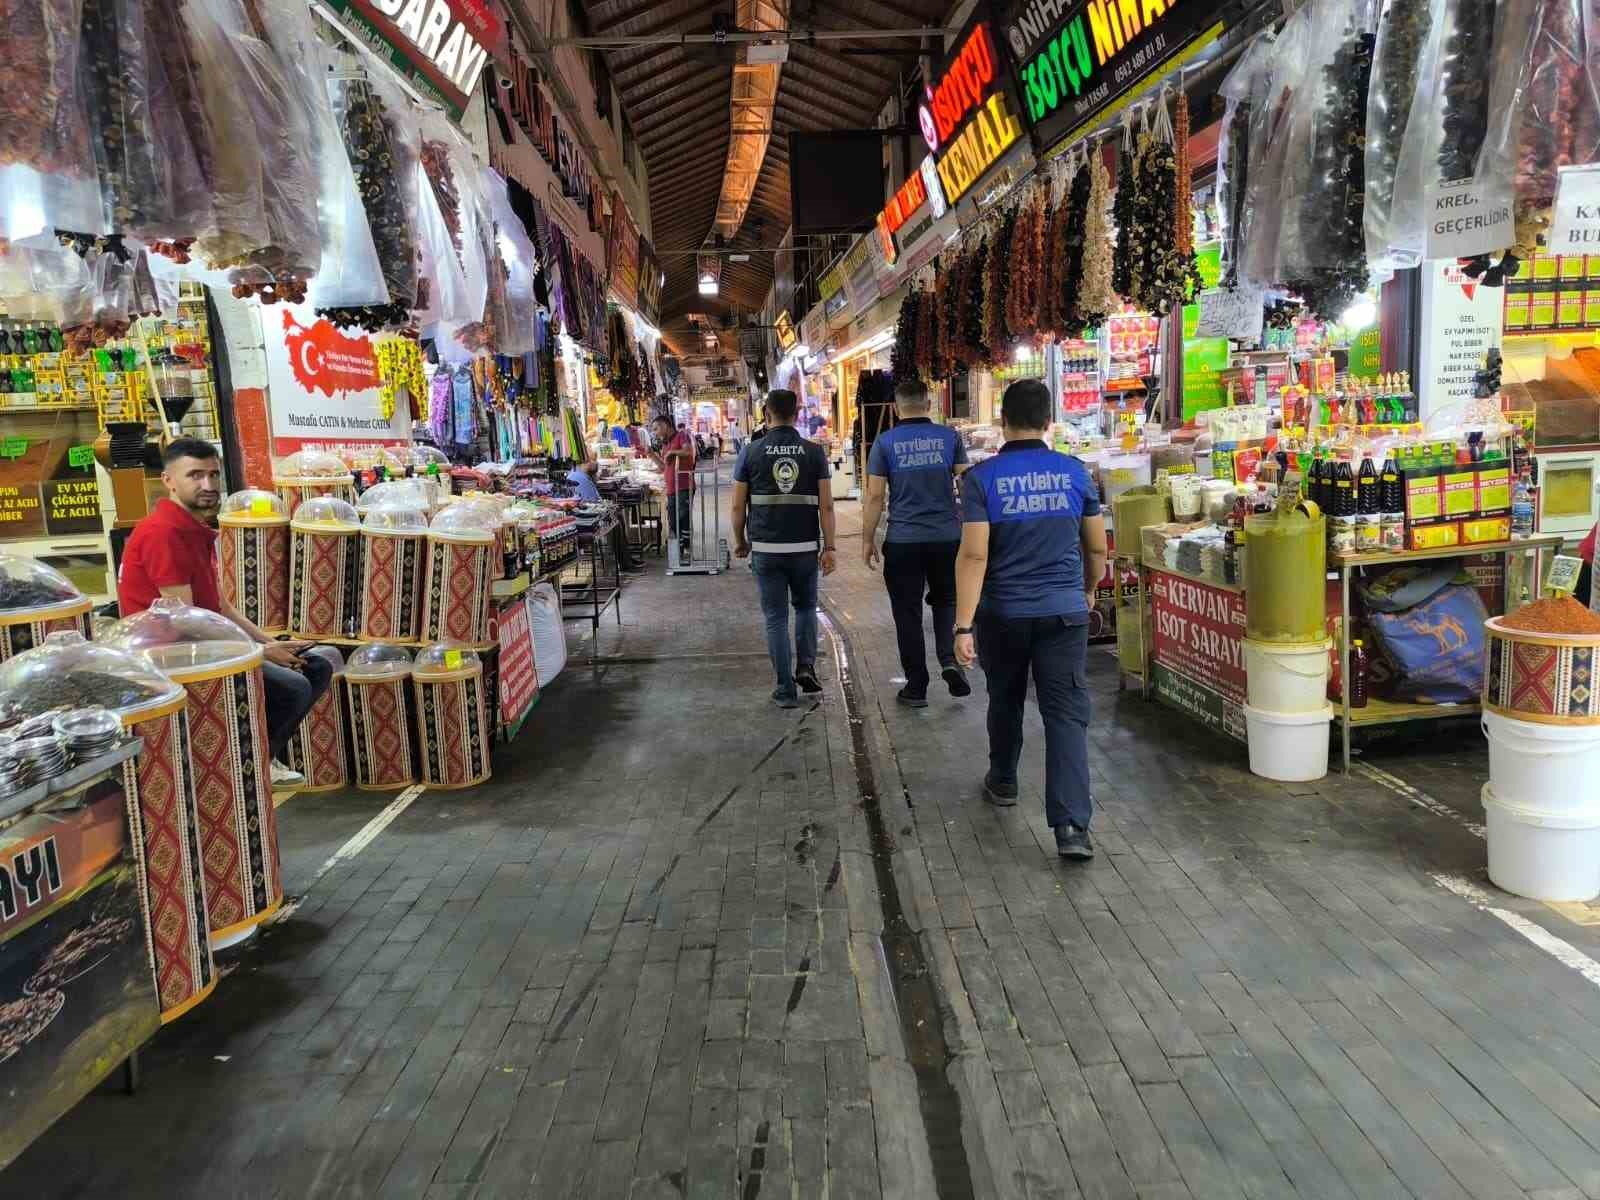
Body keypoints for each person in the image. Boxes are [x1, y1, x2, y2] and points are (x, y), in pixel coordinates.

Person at [118, 438, 333, 788]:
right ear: (168, 481)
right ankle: (246, 771)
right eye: (195, 475)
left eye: (213, 475)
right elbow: (183, 623)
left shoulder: (194, 531)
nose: (208, 485)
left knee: (318, 665)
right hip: (171, 653)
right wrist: (258, 653)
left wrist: (272, 641)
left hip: (207, 642)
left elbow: (222, 608)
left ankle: (259, 757)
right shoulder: (164, 533)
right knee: (292, 687)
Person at [953, 380, 1108, 861]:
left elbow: (975, 555)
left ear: (1003, 422)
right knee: (1066, 713)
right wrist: (1086, 588)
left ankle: (1003, 780)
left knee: (1006, 697)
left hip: (1004, 615)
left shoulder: (981, 480)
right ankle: (1071, 828)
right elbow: (1098, 547)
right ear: (1048, 422)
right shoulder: (1075, 473)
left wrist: (962, 626)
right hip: (1064, 614)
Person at [861, 378, 971, 707]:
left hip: (903, 541)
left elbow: (875, 496)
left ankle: (917, 686)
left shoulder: (884, 442)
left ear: (896, 408)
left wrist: (867, 540)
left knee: (906, 613)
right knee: (946, 601)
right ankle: (950, 662)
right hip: (947, 538)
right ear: (929, 404)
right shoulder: (950, 437)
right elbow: (967, 486)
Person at [732, 389, 837, 708]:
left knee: (776, 617)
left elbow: (737, 506)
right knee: (805, 608)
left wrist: (740, 541)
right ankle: (805, 666)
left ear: (766, 413)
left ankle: (785, 689)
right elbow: (827, 506)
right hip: (805, 548)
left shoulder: (750, 452)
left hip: (766, 548)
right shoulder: (814, 452)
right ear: (797, 412)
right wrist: (830, 547)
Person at [651, 415, 697, 558]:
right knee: (673, 519)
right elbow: (664, 466)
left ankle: (686, 548)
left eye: (656, 428)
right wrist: (650, 454)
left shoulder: (681, 436)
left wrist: (673, 452)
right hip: (671, 487)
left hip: (684, 485)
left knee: (683, 517)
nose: (655, 432)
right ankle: (679, 549)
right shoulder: (665, 443)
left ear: (665, 426)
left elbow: (688, 451)